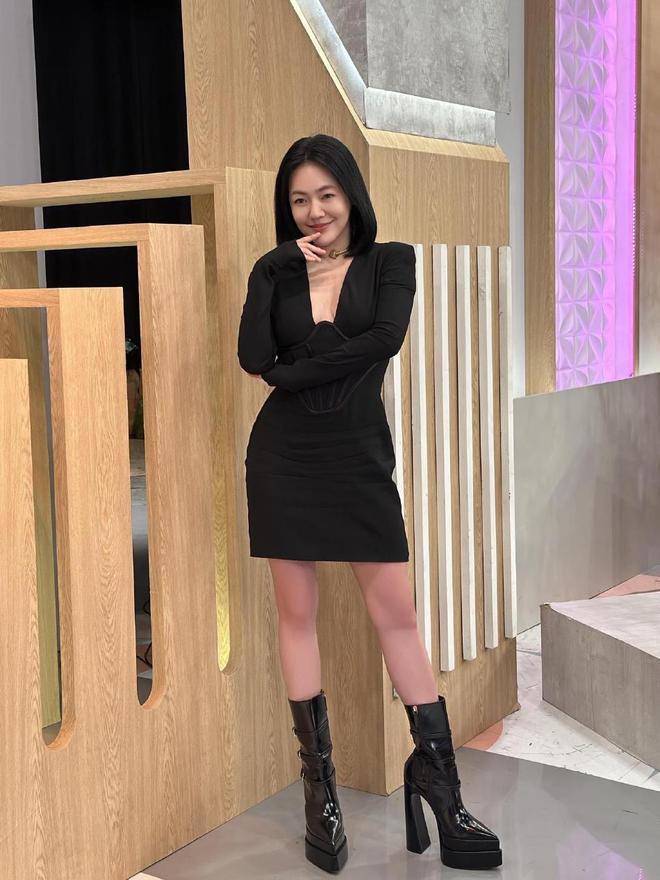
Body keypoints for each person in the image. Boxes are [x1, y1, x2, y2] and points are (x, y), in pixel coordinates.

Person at [237, 133, 502, 873]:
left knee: (397, 616)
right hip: (284, 460)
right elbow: (254, 358)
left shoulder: (391, 262)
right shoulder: (276, 272)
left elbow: (384, 339)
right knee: (297, 616)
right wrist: (272, 270)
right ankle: (319, 797)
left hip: (357, 457)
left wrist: (294, 372)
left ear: (351, 194)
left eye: (326, 194)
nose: (314, 210)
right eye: (299, 199)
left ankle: (442, 789)